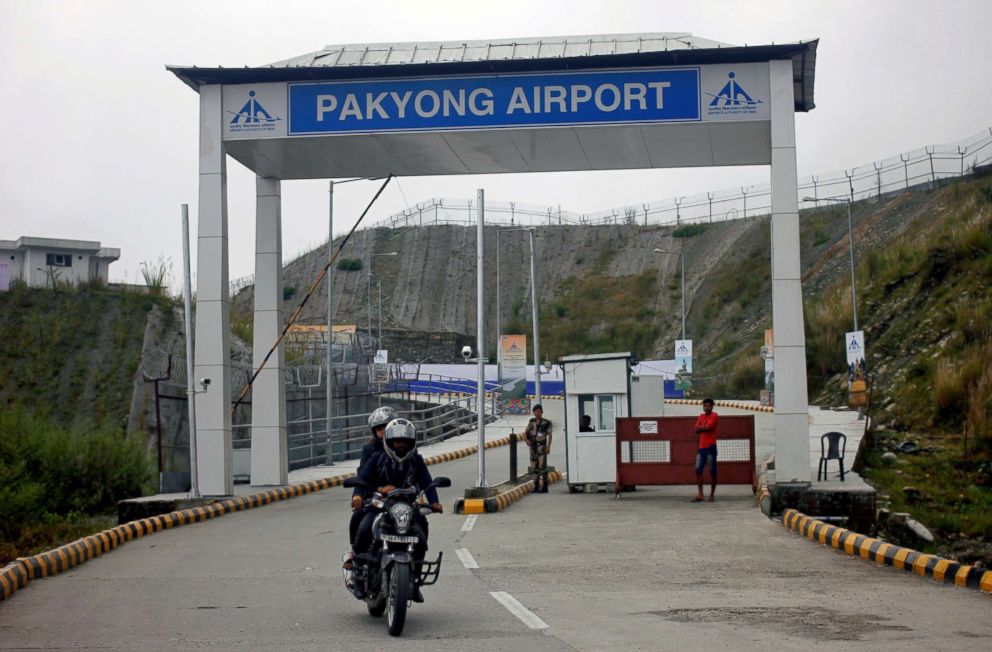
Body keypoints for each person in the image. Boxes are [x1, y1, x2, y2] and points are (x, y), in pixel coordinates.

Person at [350, 418, 443, 601]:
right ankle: (358, 577)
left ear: (412, 443)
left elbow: (427, 481)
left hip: (407, 506)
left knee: (421, 533)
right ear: (389, 442)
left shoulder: (416, 460)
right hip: (381, 505)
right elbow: (364, 478)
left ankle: (414, 581)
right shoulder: (378, 457)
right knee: (364, 528)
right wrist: (359, 495)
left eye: (405, 442)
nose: (401, 445)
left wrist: (434, 502)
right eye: (397, 441)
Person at [692, 398, 719, 502]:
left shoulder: (715, 415)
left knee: (712, 471)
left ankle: (712, 494)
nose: (706, 408)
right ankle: (700, 494)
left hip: (711, 447)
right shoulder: (701, 416)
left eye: (708, 406)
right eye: (705, 406)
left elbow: (709, 427)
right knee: (698, 470)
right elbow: (695, 429)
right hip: (701, 447)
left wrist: (701, 427)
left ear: (712, 406)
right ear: (703, 406)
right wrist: (702, 427)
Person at [524, 404, 553, 493]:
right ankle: (536, 486)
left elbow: (550, 435)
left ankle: (545, 487)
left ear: (542, 412)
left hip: (542, 446)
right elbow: (525, 432)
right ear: (533, 412)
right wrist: (526, 440)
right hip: (533, 447)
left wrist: (548, 447)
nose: (537, 413)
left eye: (539, 411)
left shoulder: (546, 422)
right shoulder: (531, 421)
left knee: (542, 467)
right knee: (534, 467)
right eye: (535, 411)